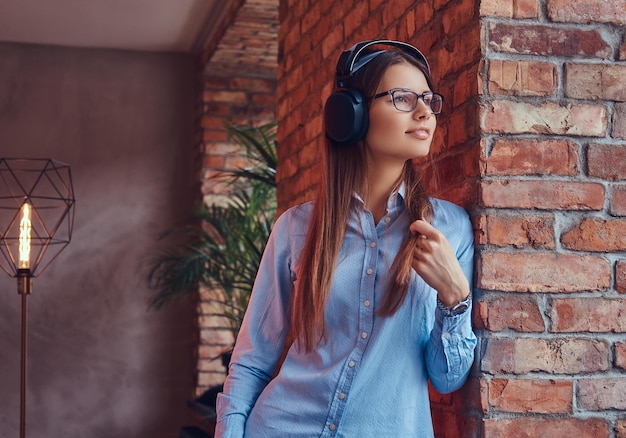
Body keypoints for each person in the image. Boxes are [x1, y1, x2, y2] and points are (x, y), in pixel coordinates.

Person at [215, 39, 476, 438]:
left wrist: (455, 297)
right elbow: (251, 363)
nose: (424, 111)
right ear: (351, 114)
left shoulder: (450, 229)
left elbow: (446, 379)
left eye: (428, 98)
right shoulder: (294, 229)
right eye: (403, 98)